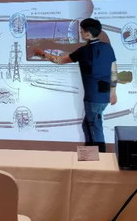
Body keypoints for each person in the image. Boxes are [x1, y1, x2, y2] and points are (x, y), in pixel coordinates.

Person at [34, 18, 117, 152]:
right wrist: (113, 92)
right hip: (104, 94)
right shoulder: (108, 47)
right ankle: (90, 152)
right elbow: (114, 71)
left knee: (95, 127)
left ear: (88, 34)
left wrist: (43, 54)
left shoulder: (83, 51)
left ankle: (100, 156)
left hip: (93, 97)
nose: (80, 33)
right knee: (87, 125)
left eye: (81, 31)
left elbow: (60, 60)